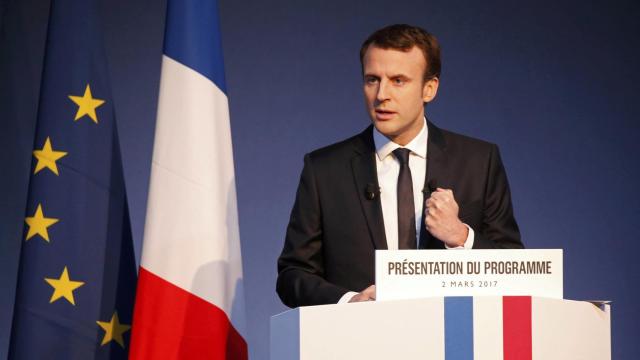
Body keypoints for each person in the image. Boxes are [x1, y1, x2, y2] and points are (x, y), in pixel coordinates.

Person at [276, 24, 523, 308]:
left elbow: (514, 268)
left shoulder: (479, 161)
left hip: (452, 341)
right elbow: (292, 275)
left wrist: (461, 237)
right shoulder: (324, 170)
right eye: (372, 79)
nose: (382, 94)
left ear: (429, 89)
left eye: (398, 80)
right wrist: (350, 301)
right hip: (360, 341)